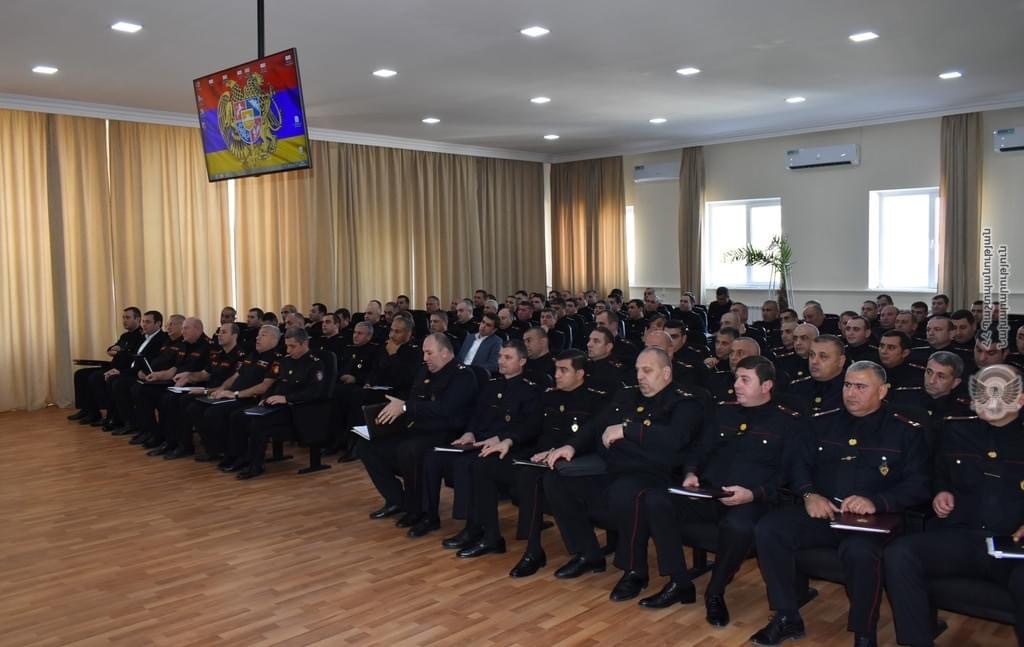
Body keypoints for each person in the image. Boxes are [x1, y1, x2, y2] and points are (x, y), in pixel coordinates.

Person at [750, 361, 930, 647]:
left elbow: (919, 484)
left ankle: (864, 633)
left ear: (882, 391)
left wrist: (877, 502)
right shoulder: (822, 422)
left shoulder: (905, 431)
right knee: (770, 529)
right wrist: (809, 494)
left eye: (861, 387)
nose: (851, 393)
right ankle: (786, 616)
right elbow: (798, 465)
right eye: (847, 385)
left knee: (860, 553)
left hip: (872, 521)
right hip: (826, 511)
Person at [636, 357, 805, 627]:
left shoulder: (787, 422)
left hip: (751, 499)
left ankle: (715, 592)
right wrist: (691, 473)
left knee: (739, 527)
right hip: (711, 492)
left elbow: (788, 475)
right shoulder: (724, 412)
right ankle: (679, 582)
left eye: (745, 380)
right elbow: (700, 449)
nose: (736, 385)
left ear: (766, 386)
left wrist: (754, 494)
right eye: (736, 378)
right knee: (655, 499)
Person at [885, 364, 1024, 647]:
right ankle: (917, 641)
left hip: (1014, 545)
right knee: (899, 554)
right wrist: (942, 491)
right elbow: (939, 473)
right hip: (963, 535)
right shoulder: (956, 430)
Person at [542, 349, 707, 586]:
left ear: (666, 373)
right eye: (638, 370)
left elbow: (674, 439)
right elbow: (596, 425)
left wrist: (628, 430)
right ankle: (587, 553)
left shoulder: (684, 402)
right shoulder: (627, 395)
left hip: (653, 474)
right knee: (557, 479)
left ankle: (635, 570)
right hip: (613, 467)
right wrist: (571, 446)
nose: (639, 376)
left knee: (624, 492)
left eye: (647, 370)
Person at [425, 340, 543, 552]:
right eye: (500, 356)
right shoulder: (492, 384)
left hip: (509, 446)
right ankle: (431, 516)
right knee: (435, 456)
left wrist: (502, 438)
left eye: (508, 357)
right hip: (481, 441)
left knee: (472, 465)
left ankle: (480, 531)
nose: (501, 361)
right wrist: (469, 432)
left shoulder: (530, 390)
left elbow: (529, 426)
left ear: (522, 361)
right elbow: (477, 415)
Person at [359, 333, 479, 532]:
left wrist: (406, 407)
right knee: (367, 445)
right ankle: (398, 500)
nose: (425, 358)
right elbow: (414, 399)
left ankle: (425, 514)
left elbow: (444, 409)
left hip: (447, 432)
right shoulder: (425, 370)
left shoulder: (463, 375)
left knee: (409, 450)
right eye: (424, 353)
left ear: (445, 352)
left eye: (429, 353)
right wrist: (397, 409)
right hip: (417, 427)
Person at [225, 327, 325, 480]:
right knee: (239, 416)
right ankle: (239, 457)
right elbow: (276, 384)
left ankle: (256, 465)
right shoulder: (286, 361)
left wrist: (287, 398)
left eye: (293, 346)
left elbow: (314, 392)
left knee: (259, 422)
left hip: (297, 409)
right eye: (287, 346)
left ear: (305, 344)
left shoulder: (315, 364)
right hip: (278, 405)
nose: (288, 350)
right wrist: (265, 398)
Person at [68, 307, 144, 425]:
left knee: (96, 377)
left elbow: (132, 355)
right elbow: (111, 349)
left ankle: (109, 414)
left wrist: (119, 352)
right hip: (112, 366)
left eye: (127, 318)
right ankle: (88, 409)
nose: (124, 320)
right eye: (123, 317)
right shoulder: (125, 336)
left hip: (124, 369)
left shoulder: (141, 336)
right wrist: (114, 349)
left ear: (138, 319)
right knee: (80, 374)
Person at [789, 335, 847, 414]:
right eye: (812, 355)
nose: (814, 361)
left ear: (840, 361)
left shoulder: (850, 391)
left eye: (823, 356)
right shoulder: (796, 388)